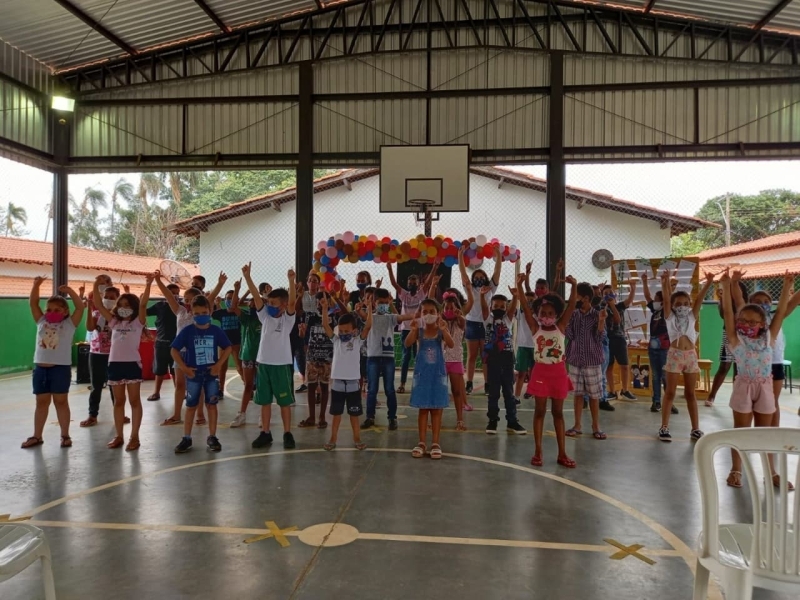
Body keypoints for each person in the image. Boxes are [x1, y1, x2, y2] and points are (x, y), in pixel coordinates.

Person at [721, 269, 794, 489]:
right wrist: (725, 288)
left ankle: (771, 472)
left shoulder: (768, 338)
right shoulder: (736, 340)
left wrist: (785, 288)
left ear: (763, 323)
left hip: (765, 387)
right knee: (740, 432)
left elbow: (780, 311)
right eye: (743, 320)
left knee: (765, 432)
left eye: (754, 322)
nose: (749, 325)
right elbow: (727, 310)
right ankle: (736, 470)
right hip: (743, 386)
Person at [517, 273, 578, 467]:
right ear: (538, 314)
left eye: (551, 314)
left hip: (558, 373)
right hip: (541, 373)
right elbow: (525, 307)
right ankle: (538, 451)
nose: (547, 317)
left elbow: (571, 306)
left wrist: (574, 286)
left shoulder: (561, 326)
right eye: (543, 313)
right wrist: (519, 286)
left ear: (557, 315)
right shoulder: (535, 328)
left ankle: (562, 453)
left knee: (558, 413)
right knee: (540, 411)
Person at [730, 273, 800, 436]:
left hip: (773, 365)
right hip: (749, 368)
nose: (763, 304)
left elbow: (790, 303)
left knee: (771, 403)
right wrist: (734, 283)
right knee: (747, 405)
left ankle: (771, 436)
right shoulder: (748, 321)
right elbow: (739, 300)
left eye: (766, 302)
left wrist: (788, 286)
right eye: (758, 302)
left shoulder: (775, 318)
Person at [154, 271, 227, 426]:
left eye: (190, 300)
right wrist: (158, 280)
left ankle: (200, 415)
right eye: (185, 299)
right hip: (181, 353)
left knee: (198, 385)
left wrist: (220, 284)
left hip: (197, 352)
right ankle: (176, 415)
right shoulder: (179, 311)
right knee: (180, 384)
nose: (187, 302)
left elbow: (211, 298)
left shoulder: (201, 312)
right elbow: (168, 295)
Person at [22, 277, 84, 449]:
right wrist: (36, 286)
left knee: (61, 402)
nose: (52, 312)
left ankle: (65, 435)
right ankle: (37, 436)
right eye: (49, 309)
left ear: (65, 312)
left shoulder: (69, 324)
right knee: (41, 403)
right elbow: (33, 304)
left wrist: (71, 292)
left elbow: (80, 307)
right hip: (40, 368)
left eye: (57, 309)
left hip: (60, 369)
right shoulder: (42, 322)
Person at [94, 273, 153, 451]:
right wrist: (96, 284)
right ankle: (119, 435)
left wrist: (148, 284)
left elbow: (143, 303)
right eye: (120, 305)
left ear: (133, 308)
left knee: (134, 401)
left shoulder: (137, 323)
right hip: (115, 365)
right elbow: (97, 303)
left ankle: (134, 437)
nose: (123, 308)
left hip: (132, 365)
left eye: (127, 305)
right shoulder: (113, 322)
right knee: (118, 402)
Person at [242, 263, 298, 449]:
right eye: (269, 303)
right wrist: (248, 278)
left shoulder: (288, 319)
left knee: (284, 402)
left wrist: (291, 280)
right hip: (264, 364)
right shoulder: (264, 317)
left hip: (281, 365)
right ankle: (265, 433)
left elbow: (291, 302)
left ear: (282, 305)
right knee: (264, 401)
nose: (269, 306)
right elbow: (257, 298)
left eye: (273, 303)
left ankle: (287, 433)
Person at [657, 270, 715, 442]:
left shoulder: (692, 315)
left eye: (685, 303)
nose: (682, 306)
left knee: (691, 393)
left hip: (690, 356)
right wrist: (665, 282)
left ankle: (695, 428)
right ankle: (664, 427)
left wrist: (709, 282)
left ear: (689, 304)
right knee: (670, 392)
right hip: (675, 355)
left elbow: (699, 299)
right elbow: (667, 299)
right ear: (673, 306)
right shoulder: (669, 317)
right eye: (678, 304)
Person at [171, 295, 232, 453]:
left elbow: (228, 348)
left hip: (211, 375)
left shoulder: (216, 330)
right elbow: (174, 350)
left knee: (211, 405)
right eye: (197, 314)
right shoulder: (188, 331)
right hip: (193, 375)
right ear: (192, 313)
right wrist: (184, 368)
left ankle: (212, 436)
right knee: (191, 406)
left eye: (204, 312)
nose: (201, 316)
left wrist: (218, 365)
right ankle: (187, 438)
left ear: (210, 311)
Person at [361, 288, 416, 430]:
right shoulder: (371, 317)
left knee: (389, 389)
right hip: (372, 357)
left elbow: (403, 317)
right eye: (380, 302)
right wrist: (366, 308)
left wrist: (419, 314)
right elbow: (363, 318)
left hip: (388, 358)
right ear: (374, 302)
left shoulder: (390, 317)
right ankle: (370, 416)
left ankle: (392, 417)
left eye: (386, 302)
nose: (383, 305)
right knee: (372, 389)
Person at [321, 298, 372, 451]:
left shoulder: (357, 341)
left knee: (354, 415)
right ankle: (333, 439)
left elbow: (368, 326)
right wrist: (324, 309)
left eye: (346, 331)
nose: (343, 334)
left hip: (353, 385)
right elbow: (325, 325)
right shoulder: (336, 341)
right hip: (337, 384)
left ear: (354, 331)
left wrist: (369, 308)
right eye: (341, 331)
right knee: (336, 415)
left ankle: (357, 439)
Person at [407, 299, 454, 459]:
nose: (428, 315)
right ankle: (421, 442)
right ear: (420, 314)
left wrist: (445, 330)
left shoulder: (440, 332)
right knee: (423, 409)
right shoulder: (419, 332)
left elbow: (451, 344)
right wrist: (412, 330)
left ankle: (435, 442)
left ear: (438, 314)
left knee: (436, 409)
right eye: (424, 311)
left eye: (432, 311)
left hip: (438, 375)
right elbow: (407, 344)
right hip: (422, 375)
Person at [479, 285, 527, 435]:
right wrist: (482, 296)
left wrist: (515, 297)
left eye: (502, 306)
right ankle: (493, 420)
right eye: (496, 306)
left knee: (508, 391)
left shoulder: (508, 319)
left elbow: (512, 309)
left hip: (506, 359)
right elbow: (484, 309)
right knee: (493, 392)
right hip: (492, 359)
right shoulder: (488, 319)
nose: (499, 308)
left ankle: (512, 421)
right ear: (491, 306)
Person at [566, 283, 609, 440]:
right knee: (577, 394)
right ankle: (577, 425)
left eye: (576, 296)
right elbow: (569, 335)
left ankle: (596, 426)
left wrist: (601, 322)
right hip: (576, 360)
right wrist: (568, 318)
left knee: (594, 395)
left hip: (592, 361)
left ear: (585, 298)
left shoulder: (597, 315)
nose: (573, 299)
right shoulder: (573, 314)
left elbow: (600, 338)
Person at [460, 245, 503, 395]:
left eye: (481, 277)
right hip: (471, 323)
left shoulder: (490, 288)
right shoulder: (469, 288)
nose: (479, 279)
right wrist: (460, 257)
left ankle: (487, 384)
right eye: (476, 277)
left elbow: (497, 273)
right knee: (471, 356)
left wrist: (498, 257)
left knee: (485, 356)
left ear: (485, 278)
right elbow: (463, 273)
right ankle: (469, 383)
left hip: (486, 324)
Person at [436, 259, 473, 431]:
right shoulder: (440, 321)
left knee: (457, 392)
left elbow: (463, 323)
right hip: (441, 360)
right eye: (446, 308)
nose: (449, 310)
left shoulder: (460, 321)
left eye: (452, 307)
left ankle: (460, 421)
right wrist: (432, 286)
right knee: (440, 392)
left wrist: (459, 315)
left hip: (456, 360)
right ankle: (437, 420)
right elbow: (430, 301)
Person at [387, 261, 435, 394]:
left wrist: (435, 267)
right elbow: (394, 284)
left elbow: (428, 282)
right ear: (407, 284)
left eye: (414, 282)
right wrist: (390, 269)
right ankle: (402, 384)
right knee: (406, 357)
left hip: (419, 329)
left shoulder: (421, 294)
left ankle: (420, 383)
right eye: (410, 282)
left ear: (418, 284)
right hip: (406, 330)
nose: (412, 284)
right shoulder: (404, 295)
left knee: (419, 356)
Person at [81, 283, 124, 427]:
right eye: (106, 297)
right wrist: (89, 308)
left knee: (115, 385)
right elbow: (89, 327)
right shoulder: (97, 313)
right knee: (96, 386)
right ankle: (92, 415)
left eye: (112, 297)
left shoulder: (119, 315)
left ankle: (119, 414)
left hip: (114, 354)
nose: (108, 299)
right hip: (96, 353)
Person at [705, 278, 749, 406]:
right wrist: (722, 299)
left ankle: (737, 396)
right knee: (724, 365)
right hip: (729, 335)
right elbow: (723, 315)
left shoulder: (746, 304)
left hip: (744, 338)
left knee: (739, 368)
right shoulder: (725, 302)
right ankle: (712, 395)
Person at [641, 271, 677, 415]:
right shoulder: (655, 311)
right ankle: (656, 401)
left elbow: (668, 298)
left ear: (662, 301)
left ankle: (670, 402)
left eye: (657, 299)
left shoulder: (668, 311)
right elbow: (647, 296)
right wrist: (644, 281)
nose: (653, 301)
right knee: (655, 375)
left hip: (665, 348)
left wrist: (666, 282)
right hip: (653, 348)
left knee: (665, 376)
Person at [299, 291, 336, 429]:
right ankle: (311, 416)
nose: (321, 303)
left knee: (325, 387)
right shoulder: (310, 316)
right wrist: (302, 333)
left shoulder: (333, 317)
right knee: (311, 386)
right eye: (319, 301)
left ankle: (322, 417)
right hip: (312, 356)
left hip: (327, 356)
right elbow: (304, 334)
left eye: (324, 301)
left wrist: (333, 303)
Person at [230, 280, 261, 427]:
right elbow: (233, 306)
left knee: (263, 386)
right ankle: (241, 414)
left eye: (257, 301)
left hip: (263, 357)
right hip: (248, 355)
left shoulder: (266, 318)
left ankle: (263, 415)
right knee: (248, 385)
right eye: (252, 302)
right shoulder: (247, 318)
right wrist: (237, 289)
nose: (254, 304)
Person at [601, 282, 637, 402]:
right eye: (606, 294)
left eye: (611, 293)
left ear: (615, 294)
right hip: (607, 340)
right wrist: (607, 303)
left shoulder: (620, 306)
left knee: (625, 365)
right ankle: (611, 391)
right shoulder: (602, 308)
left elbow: (619, 318)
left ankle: (625, 390)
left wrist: (633, 289)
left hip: (620, 339)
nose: (609, 295)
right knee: (609, 366)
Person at [145, 282, 179, 402]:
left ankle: (178, 392)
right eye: (171, 293)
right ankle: (156, 392)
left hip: (177, 344)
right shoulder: (160, 305)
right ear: (165, 294)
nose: (174, 295)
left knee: (176, 370)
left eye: (176, 293)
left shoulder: (181, 307)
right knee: (159, 370)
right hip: (161, 343)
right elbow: (144, 312)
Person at [211, 287, 243, 397]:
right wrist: (216, 303)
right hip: (223, 345)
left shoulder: (240, 313)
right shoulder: (221, 313)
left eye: (232, 298)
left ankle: (248, 388)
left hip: (236, 343)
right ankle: (220, 390)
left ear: (237, 300)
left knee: (239, 367)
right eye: (228, 298)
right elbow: (211, 312)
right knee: (221, 368)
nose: (230, 300)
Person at [514, 266, 537, 403]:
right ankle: (516, 396)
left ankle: (531, 391)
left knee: (534, 372)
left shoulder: (539, 314)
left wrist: (527, 275)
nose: (529, 301)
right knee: (521, 373)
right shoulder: (520, 312)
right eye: (526, 300)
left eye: (531, 300)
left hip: (536, 346)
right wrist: (515, 295)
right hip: (523, 345)